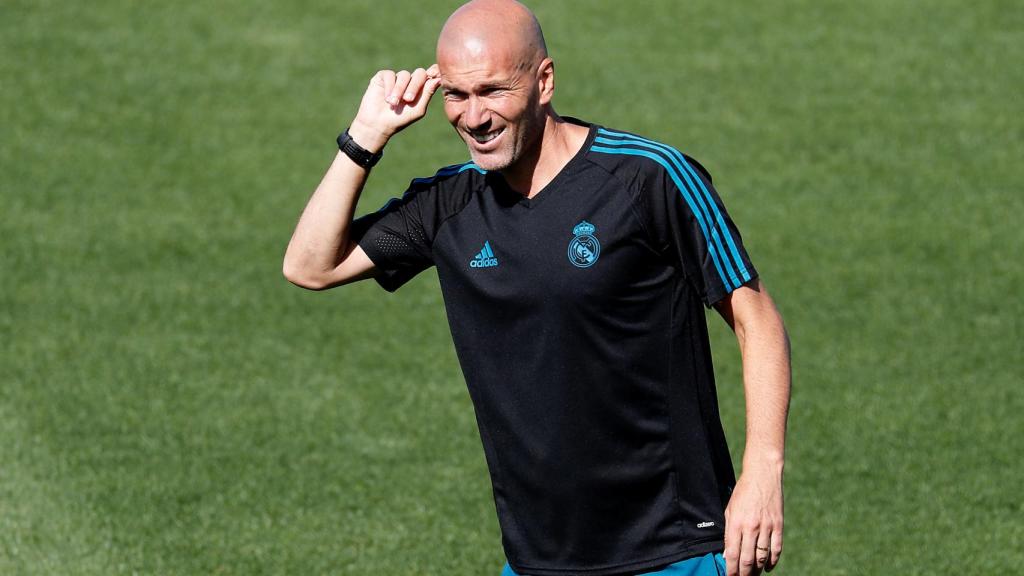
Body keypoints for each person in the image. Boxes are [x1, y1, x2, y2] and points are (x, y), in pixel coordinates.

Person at [283, 1, 791, 575]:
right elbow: (310, 266)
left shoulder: (649, 179)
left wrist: (762, 471)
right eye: (456, 95)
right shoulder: (449, 204)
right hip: (537, 560)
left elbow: (757, 320)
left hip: (674, 547)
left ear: (544, 81)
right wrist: (365, 137)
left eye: (492, 91)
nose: (474, 117)